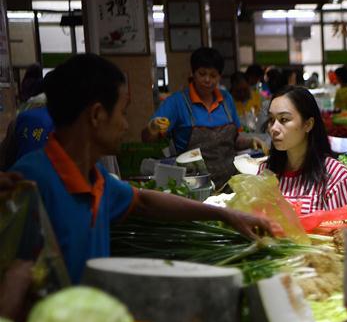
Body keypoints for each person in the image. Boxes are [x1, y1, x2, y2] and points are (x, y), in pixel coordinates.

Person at [11, 54, 271, 284]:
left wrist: (225, 216)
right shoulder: (27, 181)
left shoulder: (97, 178)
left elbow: (144, 201)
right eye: (123, 113)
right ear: (97, 115)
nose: (125, 125)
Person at [143, 47, 261, 186]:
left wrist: (252, 141)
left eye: (213, 75)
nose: (207, 80)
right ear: (192, 73)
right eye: (202, 74)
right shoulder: (177, 102)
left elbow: (235, 140)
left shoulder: (226, 99)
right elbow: (147, 138)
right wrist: (152, 129)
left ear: (220, 76)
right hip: (193, 186)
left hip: (230, 184)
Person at [262, 87, 347, 216]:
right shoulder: (265, 173)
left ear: (308, 124)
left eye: (284, 119)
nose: (274, 128)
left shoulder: (336, 177)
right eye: (271, 120)